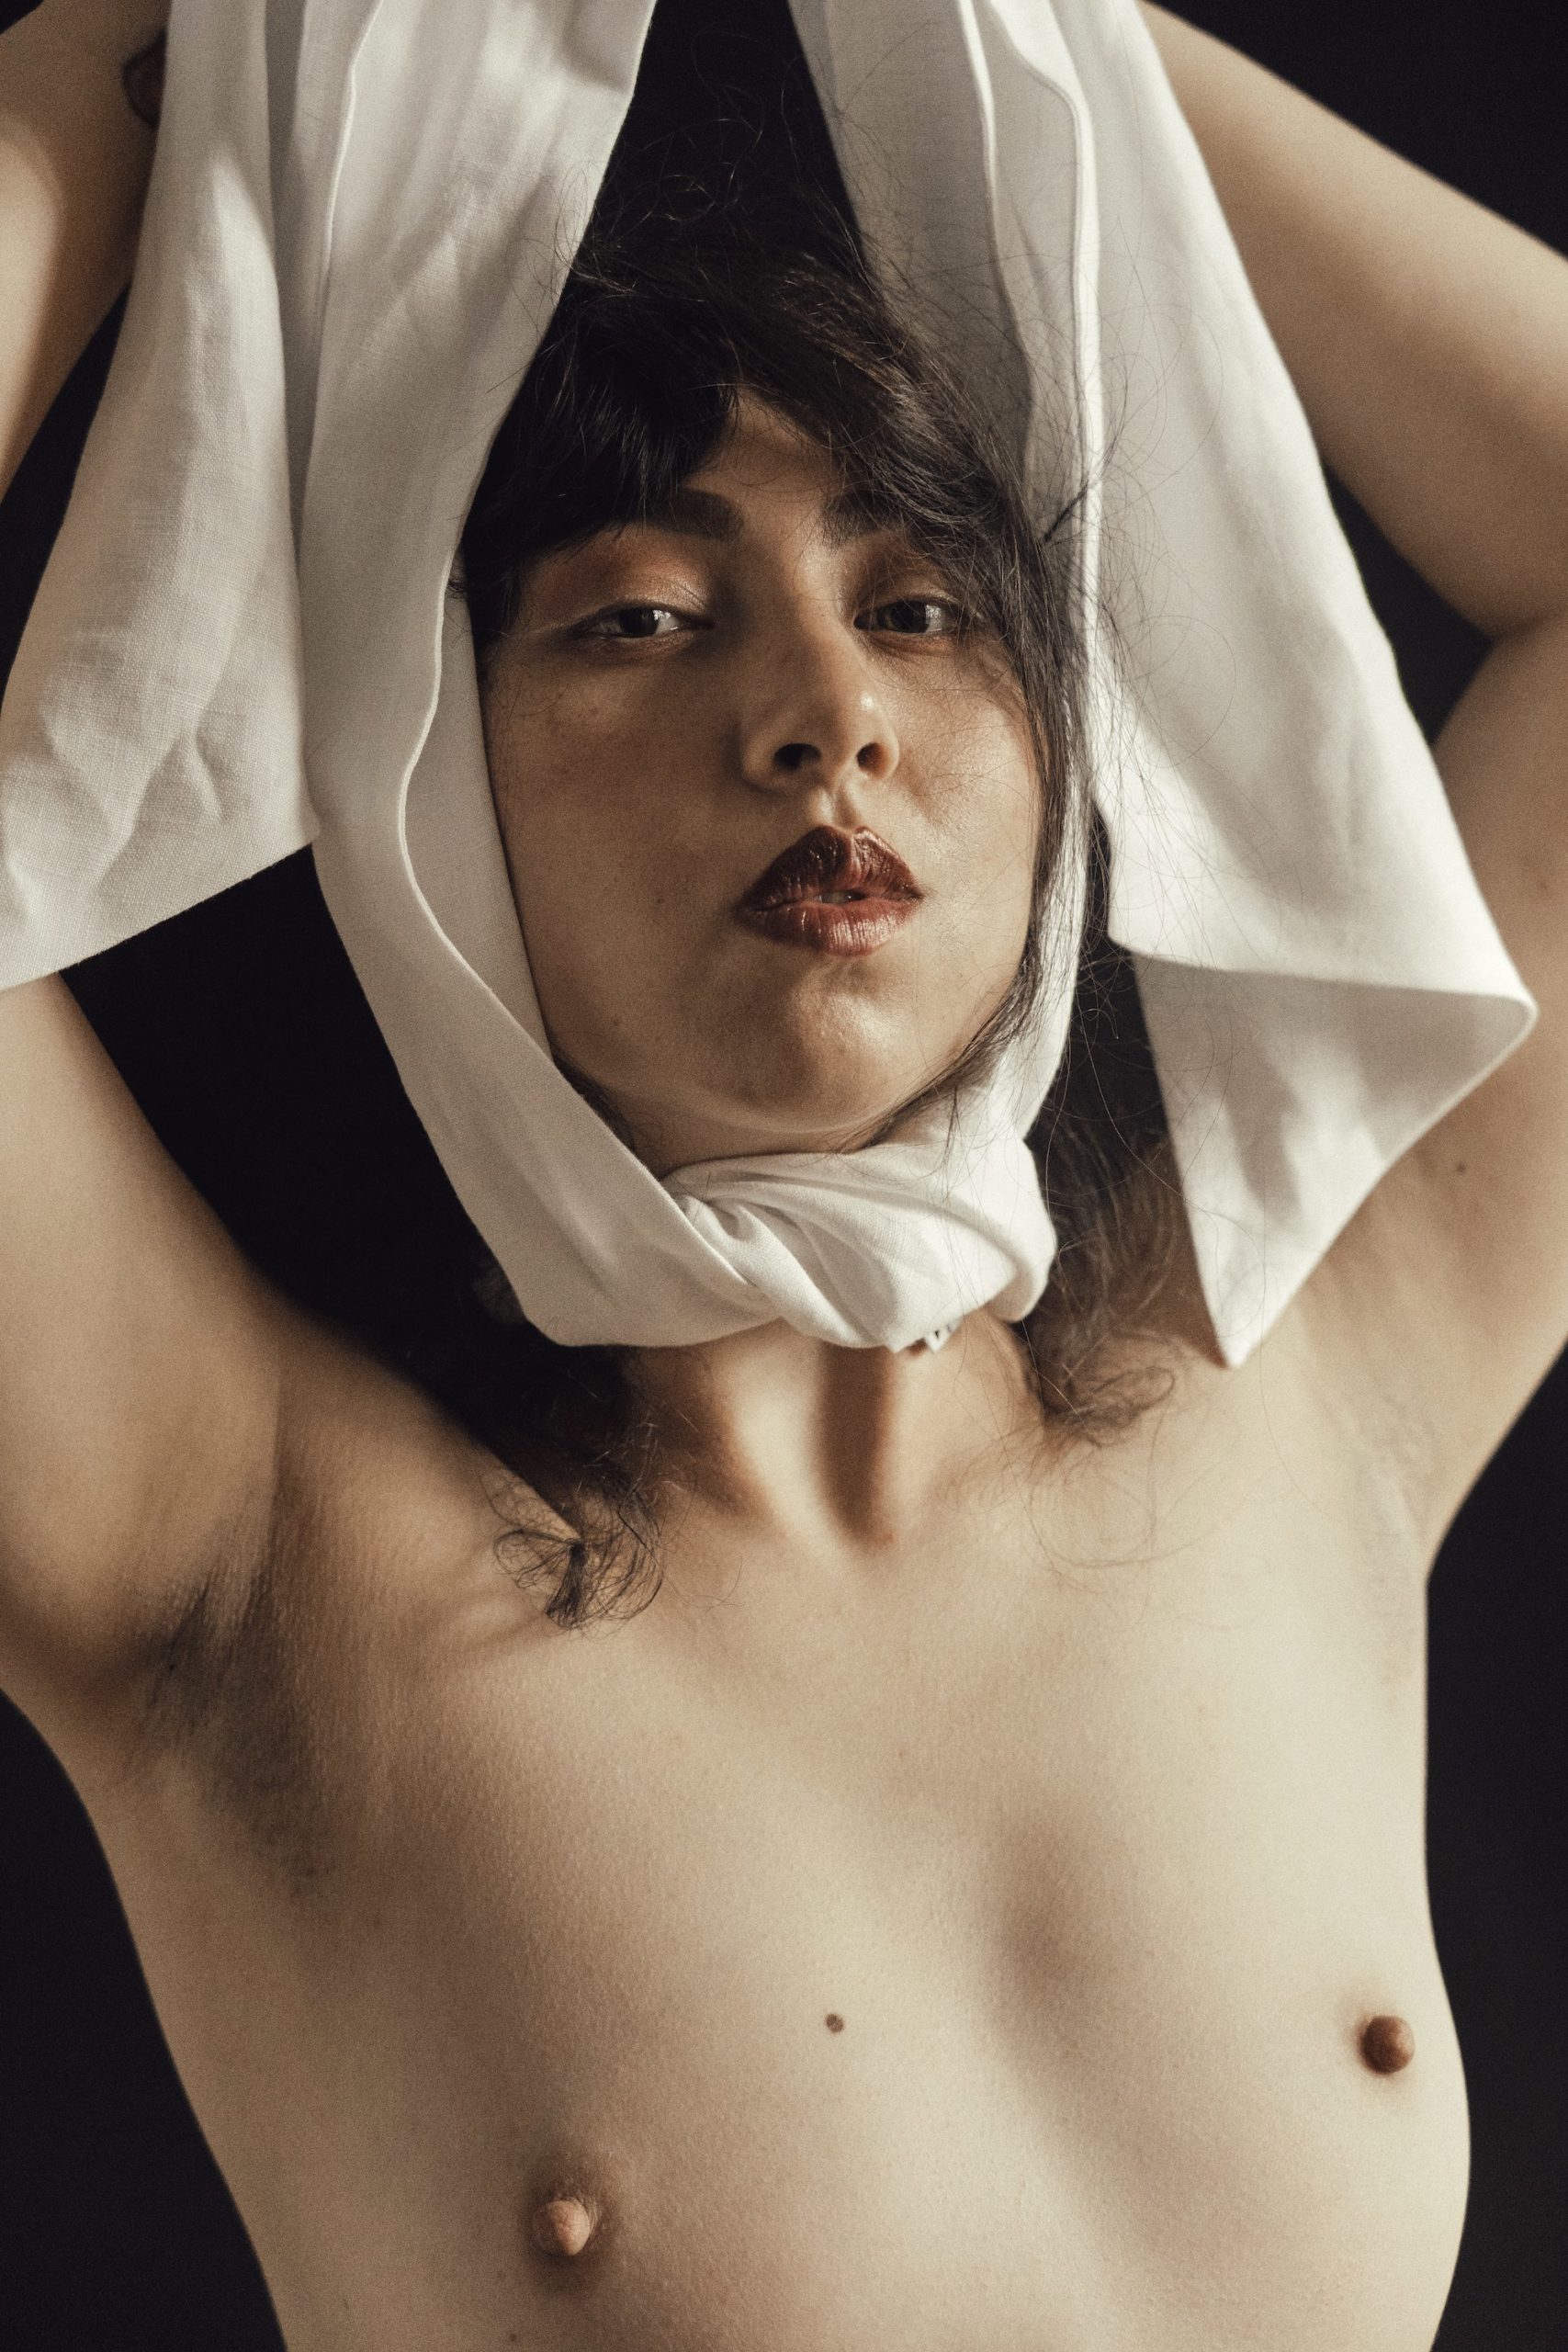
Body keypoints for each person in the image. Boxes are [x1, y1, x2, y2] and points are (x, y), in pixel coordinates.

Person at [3, 0, 1567, 2345]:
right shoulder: (240, 1560)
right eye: (640, 615)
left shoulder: (1303, 1365)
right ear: (421, 773)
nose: (826, 713)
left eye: (922, 606)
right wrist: (107, 59)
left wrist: (1041, 51)